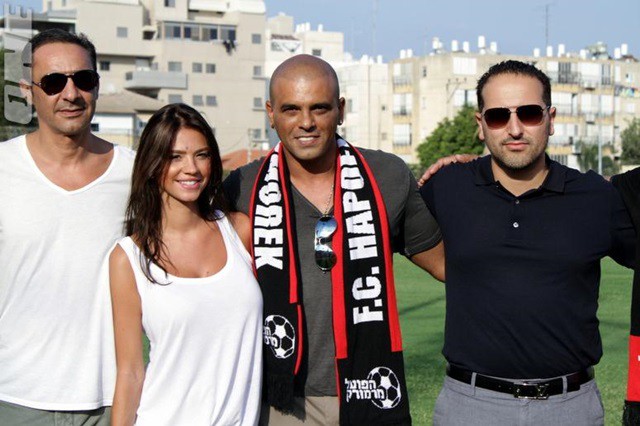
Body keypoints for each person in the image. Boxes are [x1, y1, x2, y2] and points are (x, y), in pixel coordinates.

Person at [224, 54, 444, 425]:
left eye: (319, 108)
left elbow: (446, 265)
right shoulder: (241, 187)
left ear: (340, 110)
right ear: (271, 113)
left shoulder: (387, 175)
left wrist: (481, 170)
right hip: (277, 400)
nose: (306, 122)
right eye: (291, 109)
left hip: (370, 390)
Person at [419, 59, 636, 425]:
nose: (515, 128)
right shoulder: (448, 186)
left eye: (530, 113)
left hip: (570, 408)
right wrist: (448, 268)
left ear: (551, 119)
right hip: (469, 406)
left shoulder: (596, 196)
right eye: (498, 116)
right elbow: (396, 233)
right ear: (480, 124)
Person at [0, 29, 134, 425]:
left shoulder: (137, 172)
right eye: (54, 82)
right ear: (27, 91)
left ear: (97, 85)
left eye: (83, 79)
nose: (71, 93)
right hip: (15, 399)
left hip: (113, 401)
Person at [109, 103, 262, 425]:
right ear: (152, 163)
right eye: (175, 156)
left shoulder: (240, 231)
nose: (191, 168)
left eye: (201, 155)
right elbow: (130, 372)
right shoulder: (128, 258)